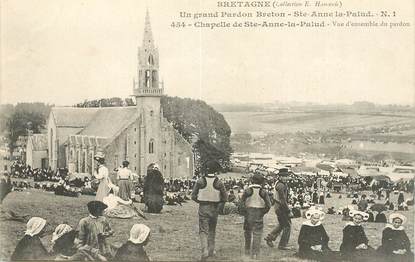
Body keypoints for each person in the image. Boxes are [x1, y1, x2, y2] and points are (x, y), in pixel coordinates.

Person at [191, 160, 227, 261]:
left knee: (203, 230)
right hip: (215, 208)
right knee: (212, 230)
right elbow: (225, 197)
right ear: (215, 171)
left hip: (203, 206)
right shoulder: (219, 182)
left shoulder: (200, 181)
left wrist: (200, 201)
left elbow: (193, 196)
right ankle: (211, 250)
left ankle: (204, 250)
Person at [240, 173, 272, 259]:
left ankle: (247, 250)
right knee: (257, 233)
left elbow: (241, 203)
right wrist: (263, 212)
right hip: (259, 213)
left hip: (248, 212)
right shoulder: (263, 192)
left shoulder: (247, 190)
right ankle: (255, 253)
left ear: (252, 180)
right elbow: (268, 205)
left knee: (247, 232)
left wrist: (245, 212)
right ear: (261, 182)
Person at [264, 170, 292, 250]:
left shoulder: (280, 183)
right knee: (287, 225)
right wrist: (288, 211)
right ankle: (282, 245)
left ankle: (269, 237)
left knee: (282, 224)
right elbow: (283, 200)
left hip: (278, 206)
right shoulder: (281, 185)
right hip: (280, 207)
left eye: (287, 176)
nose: (287, 178)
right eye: (285, 176)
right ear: (280, 177)